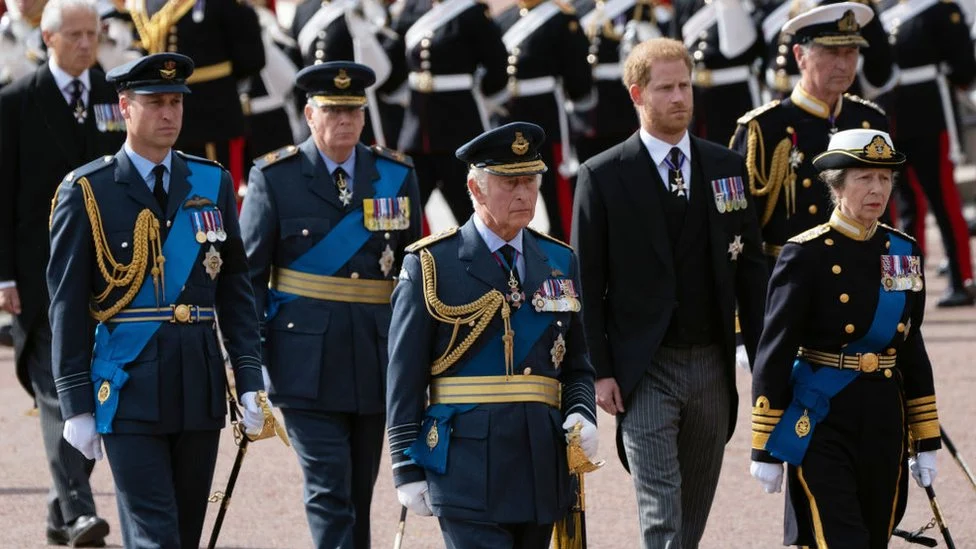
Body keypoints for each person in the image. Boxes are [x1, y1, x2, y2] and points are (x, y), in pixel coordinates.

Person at [46, 53, 267, 549]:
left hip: (200, 384)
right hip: (129, 385)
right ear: (125, 107)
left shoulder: (211, 183)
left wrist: (249, 377)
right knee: (155, 535)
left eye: (175, 102)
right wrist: (75, 403)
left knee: (184, 535)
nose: (168, 113)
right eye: (154, 102)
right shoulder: (88, 190)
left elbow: (235, 288)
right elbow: (67, 305)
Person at [571, 37, 768, 548]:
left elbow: (750, 270)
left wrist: (766, 357)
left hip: (711, 363)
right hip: (645, 366)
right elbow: (586, 283)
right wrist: (601, 369)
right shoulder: (602, 175)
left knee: (692, 511)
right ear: (637, 94)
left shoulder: (725, 167)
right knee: (661, 509)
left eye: (685, 86)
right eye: (665, 89)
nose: (680, 98)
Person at [386, 121, 598, 549]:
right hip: (465, 468)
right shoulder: (431, 265)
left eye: (530, 181)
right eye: (509, 183)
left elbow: (577, 365)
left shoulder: (559, 260)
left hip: (541, 465)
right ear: (476, 188)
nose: (524, 194)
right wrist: (405, 465)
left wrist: (581, 411)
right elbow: (405, 376)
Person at [240, 61, 421, 549]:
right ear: (309, 114)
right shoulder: (274, 176)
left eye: (354, 111)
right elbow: (250, 279)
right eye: (333, 110)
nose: (345, 120)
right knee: (328, 490)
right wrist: (248, 363)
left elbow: (415, 275)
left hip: (375, 355)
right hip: (303, 359)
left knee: (358, 495)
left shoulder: (394, 175)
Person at [749, 129, 941, 548]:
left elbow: (909, 345)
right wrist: (763, 446)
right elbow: (775, 350)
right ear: (836, 185)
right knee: (839, 538)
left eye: (885, 179)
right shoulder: (807, 252)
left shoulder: (901, 251)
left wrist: (925, 437)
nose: (877, 189)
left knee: (874, 536)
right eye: (864, 178)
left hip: (884, 417)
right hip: (821, 415)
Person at [0, 0, 126, 543]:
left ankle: (60, 506)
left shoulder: (116, 96)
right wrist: (3, 276)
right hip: (39, 269)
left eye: (91, 34)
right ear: (47, 38)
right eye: (72, 35)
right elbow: (3, 195)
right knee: (57, 388)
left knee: (98, 385)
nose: (84, 44)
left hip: (110, 269)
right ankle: (78, 509)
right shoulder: (16, 101)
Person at [730, 2, 888, 268]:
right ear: (800, 56)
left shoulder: (870, 121)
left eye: (850, 52)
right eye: (831, 52)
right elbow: (741, 229)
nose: (843, 64)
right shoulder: (764, 129)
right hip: (791, 279)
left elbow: (884, 218)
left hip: (859, 275)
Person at [879, 0, 976, 306]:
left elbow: (963, 69)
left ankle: (962, 279)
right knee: (905, 207)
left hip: (930, 115)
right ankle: (906, 283)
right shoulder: (887, 13)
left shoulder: (940, 9)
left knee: (943, 201)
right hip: (894, 118)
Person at [125, 0, 266, 195]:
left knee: (214, 200)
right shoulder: (138, 6)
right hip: (161, 119)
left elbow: (251, 58)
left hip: (211, 119)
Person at [391, 0, 509, 229]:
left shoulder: (472, 13)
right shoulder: (413, 9)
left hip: (458, 128)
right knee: (402, 214)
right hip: (417, 131)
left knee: (470, 213)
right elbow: (394, 62)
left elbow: (497, 67)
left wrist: (481, 94)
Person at [495, 0, 594, 240]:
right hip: (510, 113)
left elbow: (577, 75)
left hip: (546, 116)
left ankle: (568, 242)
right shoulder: (505, 18)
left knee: (557, 188)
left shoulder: (561, 19)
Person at [671, 0, 765, 145]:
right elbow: (676, 46)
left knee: (741, 150)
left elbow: (745, 47)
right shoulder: (685, 4)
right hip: (697, 94)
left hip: (735, 92)